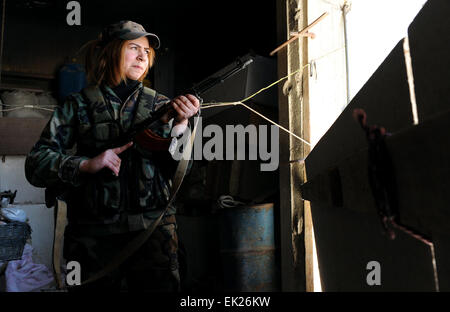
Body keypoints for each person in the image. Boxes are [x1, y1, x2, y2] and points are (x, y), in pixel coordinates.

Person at [25, 20, 200, 291]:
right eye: (133, 48)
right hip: (93, 238)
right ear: (110, 52)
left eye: (147, 51)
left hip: (152, 234)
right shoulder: (78, 105)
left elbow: (183, 173)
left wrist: (180, 127)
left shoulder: (162, 105)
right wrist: (85, 164)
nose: (143, 56)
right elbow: (35, 164)